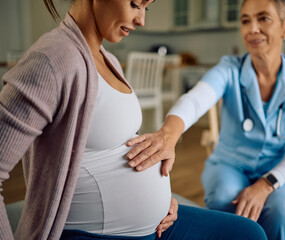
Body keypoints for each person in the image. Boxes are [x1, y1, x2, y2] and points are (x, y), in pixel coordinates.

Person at [0, 0, 268, 240]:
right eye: (134, 4)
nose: (142, 20)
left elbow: (120, 144)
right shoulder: (50, 60)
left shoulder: (111, 61)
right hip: (96, 233)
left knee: (249, 233)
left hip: (162, 223)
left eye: (146, 7)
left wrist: (162, 200)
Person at [126, 0, 285, 239]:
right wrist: (168, 133)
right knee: (225, 200)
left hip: (281, 167)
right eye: (245, 20)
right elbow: (196, 99)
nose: (252, 28)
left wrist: (265, 185)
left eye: (264, 18)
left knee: (281, 212)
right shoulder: (229, 69)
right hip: (231, 164)